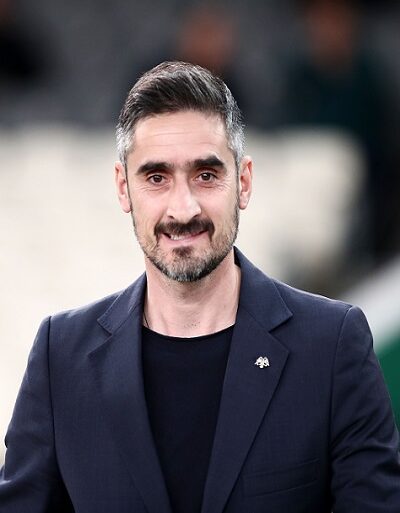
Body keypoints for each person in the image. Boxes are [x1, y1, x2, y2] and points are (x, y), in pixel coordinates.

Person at [0, 61, 399, 513]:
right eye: (156, 178)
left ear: (243, 182)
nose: (183, 208)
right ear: (123, 188)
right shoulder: (60, 357)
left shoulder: (332, 346)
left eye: (206, 175)